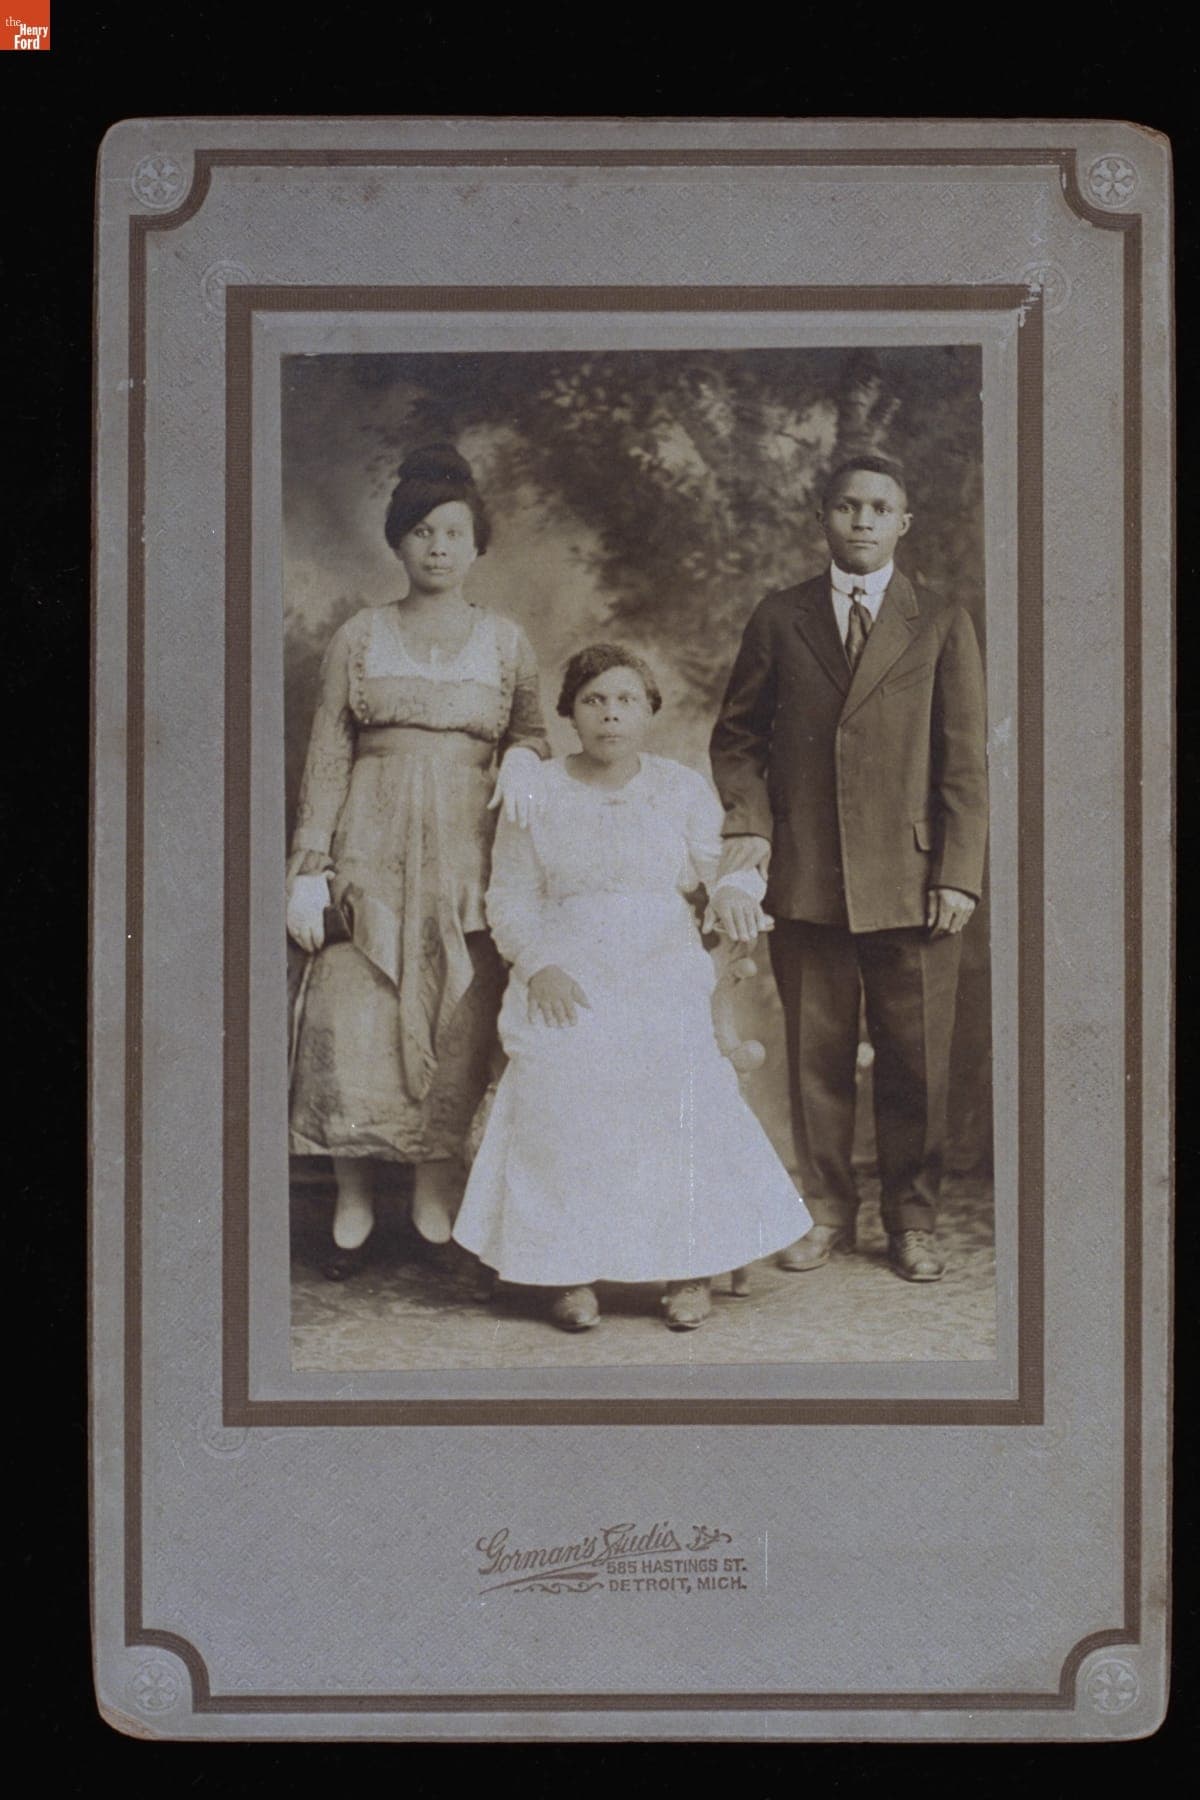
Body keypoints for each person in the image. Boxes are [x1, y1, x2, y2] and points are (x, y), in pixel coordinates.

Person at [452, 643, 811, 1332]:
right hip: (566, 966)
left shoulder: (679, 789)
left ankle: (689, 1268)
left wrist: (737, 890)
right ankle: (569, 1271)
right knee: (562, 1075)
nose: (609, 715)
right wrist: (537, 966)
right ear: (570, 714)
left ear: (648, 711)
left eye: (624, 700)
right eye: (593, 701)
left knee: (675, 1077)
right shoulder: (539, 793)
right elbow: (510, 900)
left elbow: (722, 865)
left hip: (661, 964)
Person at [709, 453, 988, 1282]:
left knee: (916, 1060)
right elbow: (737, 738)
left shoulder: (938, 619)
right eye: (845, 506)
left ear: (904, 523)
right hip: (809, 878)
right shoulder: (781, 615)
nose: (861, 521)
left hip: (915, 879)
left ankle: (913, 1219)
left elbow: (964, 762)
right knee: (815, 1056)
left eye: (879, 508)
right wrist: (752, 830)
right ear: (822, 518)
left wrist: (959, 873)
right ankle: (826, 1210)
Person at [286, 444, 550, 1276]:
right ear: (398, 544)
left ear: (478, 548)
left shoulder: (506, 643)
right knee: (355, 1012)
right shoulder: (360, 638)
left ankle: (437, 1189)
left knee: (460, 1012)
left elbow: (533, 732)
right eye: (423, 533)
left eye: (455, 534)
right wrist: (307, 865)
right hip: (372, 843)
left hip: (469, 854)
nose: (439, 548)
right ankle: (354, 1194)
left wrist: (523, 756)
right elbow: (329, 750)